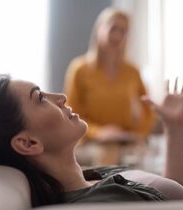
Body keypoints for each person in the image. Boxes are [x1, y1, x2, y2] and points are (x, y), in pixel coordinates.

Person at [0, 75, 183, 207]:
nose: (61, 96)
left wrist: (174, 128)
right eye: (41, 98)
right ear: (28, 143)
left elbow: (172, 201)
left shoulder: (94, 177)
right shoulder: (99, 204)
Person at [63, 7, 155, 165]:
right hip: (92, 141)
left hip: (126, 140)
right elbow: (70, 113)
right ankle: (106, 189)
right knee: (109, 154)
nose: (118, 35)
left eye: (124, 31)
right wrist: (99, 133)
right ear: (99, 30)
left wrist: (138, 134)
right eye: (113, 29)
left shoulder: (132, 71)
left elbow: (149, 108)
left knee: (146, 159)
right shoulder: (79, 69)